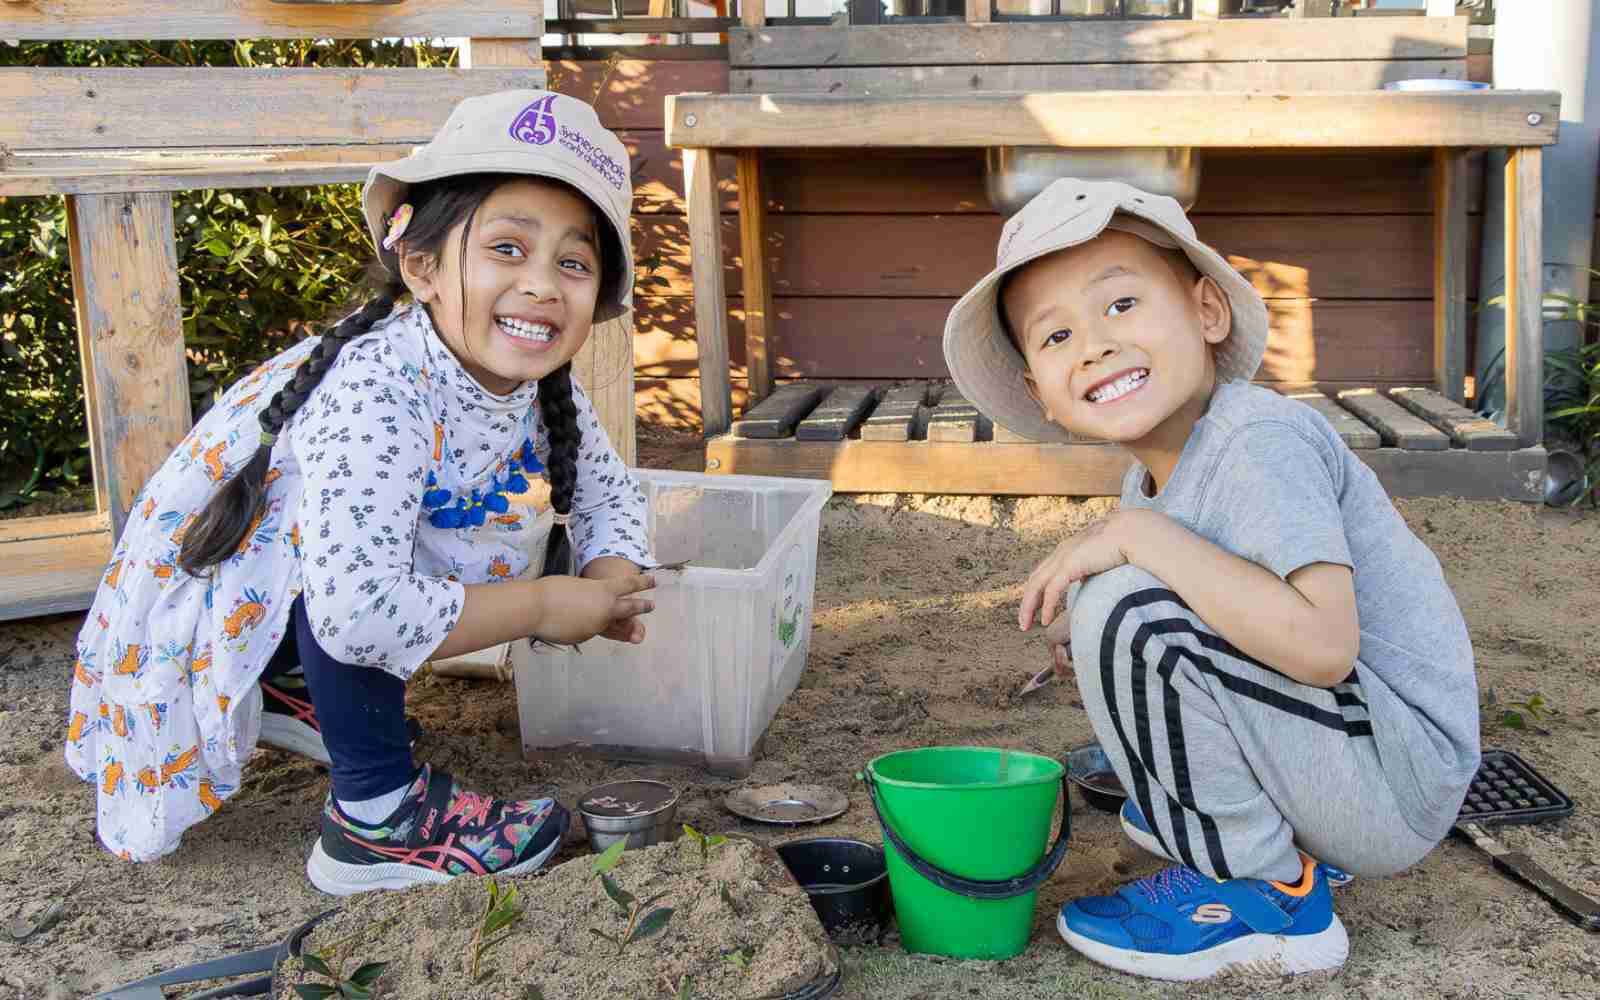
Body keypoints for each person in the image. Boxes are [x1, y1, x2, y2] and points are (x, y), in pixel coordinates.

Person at [65, 90, 660, 896]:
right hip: (217, 600)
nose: (543, 286)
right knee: (358, 587)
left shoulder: (542, 390)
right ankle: (374, 822)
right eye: (507, 248)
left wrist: (608, 568)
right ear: (421, 266)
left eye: (573, 262)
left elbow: (608, 491)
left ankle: (287, 681)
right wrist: (544, 605)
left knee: (377, 556)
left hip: (310, 580)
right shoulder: (377, 393)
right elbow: (359, 611)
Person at [941, 178, 1479, 981]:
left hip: (1396, 779)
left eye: (1120, 306)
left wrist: (1131, 556)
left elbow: (1327, 647)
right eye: (1055, 338)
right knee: (1117, 606)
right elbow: (1216, 613)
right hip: (1355, 766)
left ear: (1207, 313)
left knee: (1125, 600)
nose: (1092, 345)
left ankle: (1269, 895)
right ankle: (1283, 850)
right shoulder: (1154, 479)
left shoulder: (1259, 439)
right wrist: (1100, 636)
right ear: (1038, 394)